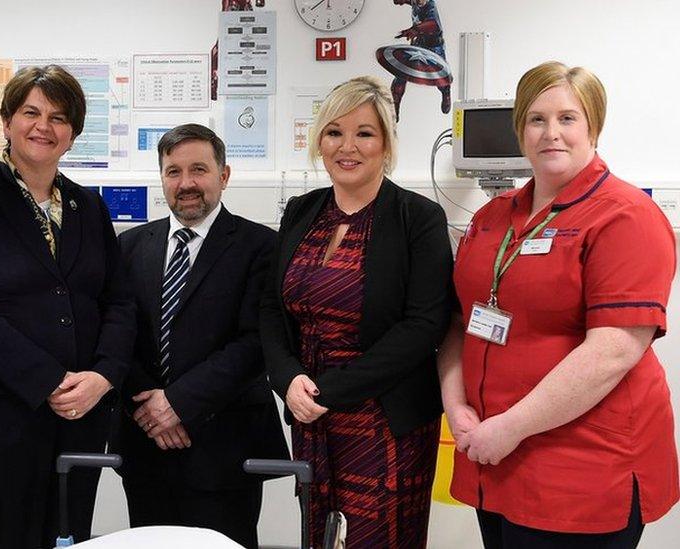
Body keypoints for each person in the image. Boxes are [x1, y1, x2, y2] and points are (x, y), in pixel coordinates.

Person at [439, 61, 679, 549]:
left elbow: (612, 351)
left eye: (568, 118)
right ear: (520, 129)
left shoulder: (626, 216)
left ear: (593, 125)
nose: (551, 133)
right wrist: (455, 403)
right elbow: (461, 319)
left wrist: (509, 427)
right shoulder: (492, 217)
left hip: (582, 471)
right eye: (536, 119)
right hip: (494, 457)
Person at [0, 64, 134, 548]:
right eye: (31, 112)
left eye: (59, 117)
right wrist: (47, 380)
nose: (44, 126)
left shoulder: (90, 206)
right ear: (6, 122)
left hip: (84, 411)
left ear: (73, 136)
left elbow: (119, 300)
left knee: (72, 533)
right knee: (9, 535)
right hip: (2, 412)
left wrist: (103, 376)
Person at [259, 76, 453, 548]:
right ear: (319, 142)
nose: (347, 146)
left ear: (386, 142)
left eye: (364, 132)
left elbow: (424, 325)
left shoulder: (418, 218)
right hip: (311, 412)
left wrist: (331, 389)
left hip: (385, 422)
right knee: (319, 534)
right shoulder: (302, 211)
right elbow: (271, 307)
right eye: (334, 132)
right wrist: (287, 380)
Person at [114, 124, 289, 549]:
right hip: (145, 443)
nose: (186, 183)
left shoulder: (262, 246)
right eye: (173, 171)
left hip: (223, 449)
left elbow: (254, 344)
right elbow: (117, 333)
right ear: (161, 178)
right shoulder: (131, 246)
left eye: (199, 169)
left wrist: (178, 404)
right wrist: (150, 407)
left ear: (223, 175)